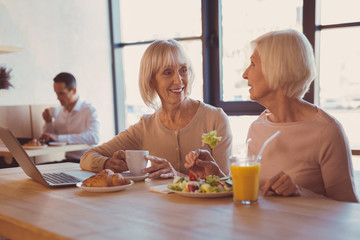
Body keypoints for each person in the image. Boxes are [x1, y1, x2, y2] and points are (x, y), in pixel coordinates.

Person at [186, 29, 359, 203]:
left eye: (253, 64)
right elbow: (252, 193)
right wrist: (216, 175)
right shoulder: (257, 128)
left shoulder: (327, 131)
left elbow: (348, 208)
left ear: (277, 70)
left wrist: (301, 193)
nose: (245, 74)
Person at [80, 39, 232, 178]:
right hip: (159, 208)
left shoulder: (215, 119)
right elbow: (88, 156)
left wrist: (177, 176)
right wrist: (106, 164)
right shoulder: (145, 128)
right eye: (168, 72)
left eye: (183, 70)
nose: (179, 80)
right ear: (151, 80)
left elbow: (227, 185)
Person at [40, 72, 100, 161]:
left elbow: (94, 137)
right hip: (68, 160)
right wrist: (48, 122)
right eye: (56, 93)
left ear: (74, 91)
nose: (58, 97)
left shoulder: (88, 109)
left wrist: (60, 138)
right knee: (39, 170)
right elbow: (53, 138)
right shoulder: (60, 111)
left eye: (61, 93)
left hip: (88, 161)